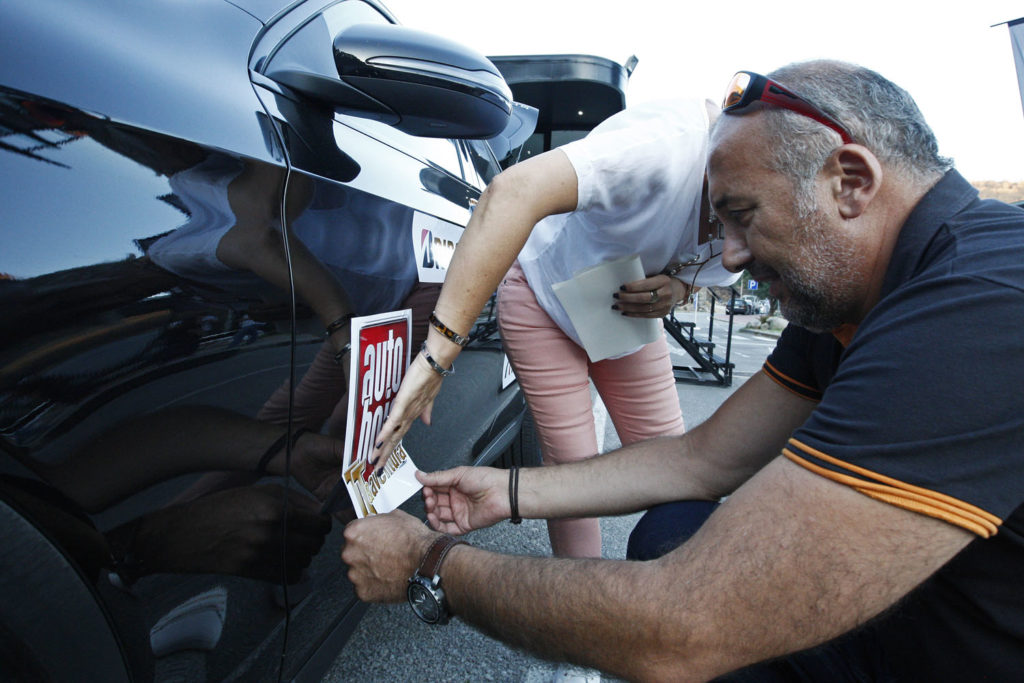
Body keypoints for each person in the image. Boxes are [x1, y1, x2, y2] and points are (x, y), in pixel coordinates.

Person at [342, 59, 1024, 681]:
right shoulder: (854, 295)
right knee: (671, 530)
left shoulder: (982, 305)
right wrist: (508, 489)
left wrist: (430, 563)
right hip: (556, 290)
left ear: (850, 182)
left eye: (742, 217)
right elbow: (702, 459)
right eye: (718, 221)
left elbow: (683, 628)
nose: (725, 258)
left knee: (681, 616)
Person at [370, 98, 738, 562]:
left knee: (674, 462)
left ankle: (689, 601)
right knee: (573, 475)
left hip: (620, 305)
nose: (740, 252)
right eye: (738, 218)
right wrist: (437, 357)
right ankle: (581, 611)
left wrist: (680, 290)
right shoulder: (663, 148)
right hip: (542, 289)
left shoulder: (767, 209)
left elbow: (707, 266)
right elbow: (511, 191)